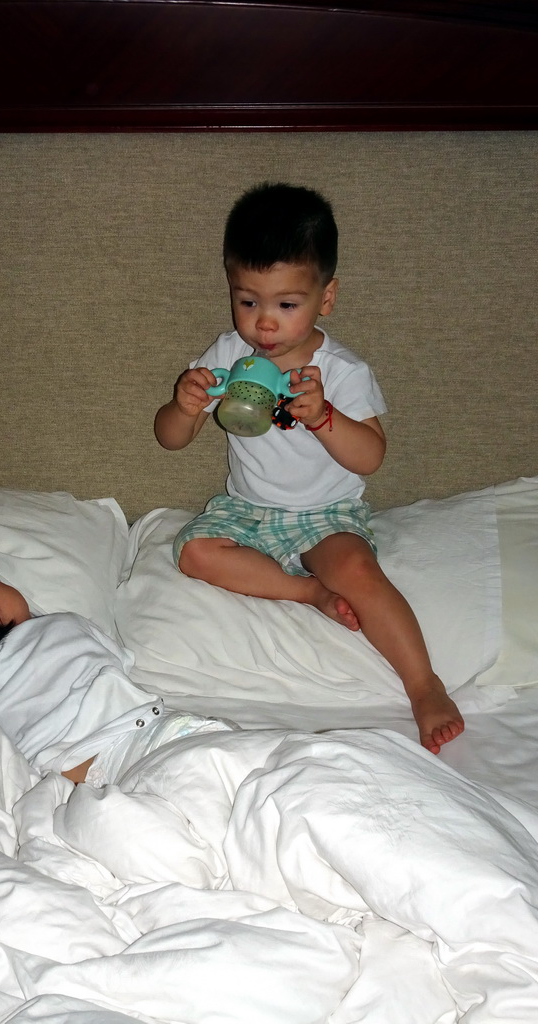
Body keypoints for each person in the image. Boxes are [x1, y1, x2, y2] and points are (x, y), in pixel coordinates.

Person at [153, 181, 463, 755]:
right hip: (248, 509)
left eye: (285, 305)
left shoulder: (340, 369)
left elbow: (372, 455)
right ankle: (305, 594)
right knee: (194, 552)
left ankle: (423, 685)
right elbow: (171, 440)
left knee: (357, 569)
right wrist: (184, 405)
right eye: (248, 302)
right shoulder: (227, 356)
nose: (263, 324)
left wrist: (324, 419)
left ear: (326, 297)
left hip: (326, 512)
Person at [0, 531, 233, 785]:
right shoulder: (64, 629)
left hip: (69, 788)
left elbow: (9, 622)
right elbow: (40, 626)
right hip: (146, 742)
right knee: (241, 771)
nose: (4, 584)